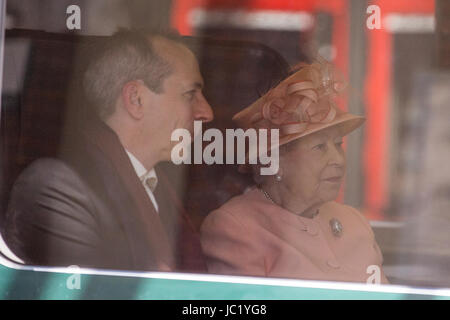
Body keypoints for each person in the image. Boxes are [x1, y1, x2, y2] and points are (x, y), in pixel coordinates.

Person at [3, 29, 214, 272]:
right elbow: (93, 294)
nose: (207, 112)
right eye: (190, 94)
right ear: (135, 99)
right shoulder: (55, 186)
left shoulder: (156, 187)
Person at [200, 58, 389, 283]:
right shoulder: (234, 227)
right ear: (276, 160)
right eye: (320, 147)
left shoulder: (354, 221)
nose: (337, 159)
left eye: (338, 144)